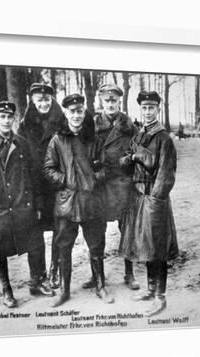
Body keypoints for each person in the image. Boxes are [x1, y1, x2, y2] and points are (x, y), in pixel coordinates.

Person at [0, 101, 54, 308]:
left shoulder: (23, 143)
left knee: (36, 245)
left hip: (23, 205)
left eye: (10, 117)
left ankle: (37, 281)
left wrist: (39, 205)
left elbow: (34, 177)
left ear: (14, 119)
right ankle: (7, 289)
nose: (6, 121)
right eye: (2, 117)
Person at [43, 93, 113, 307]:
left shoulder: (95, 138)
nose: (76, 115)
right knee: (64, 247)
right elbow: (48, 168)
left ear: (85, 112)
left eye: (80, 111)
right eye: (72, 112)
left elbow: (105, 167)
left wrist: (92, 179)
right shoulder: (57, 140)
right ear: (65, 113)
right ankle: (64, 291)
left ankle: (100, 286)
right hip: (67, 203)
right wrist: (66, 179)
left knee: (96, 245)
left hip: (92, 201)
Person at [119, 91, 179, 317]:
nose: (147, 112)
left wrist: (155, 198)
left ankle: (160, 296)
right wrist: (132, 158)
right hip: (138, 198)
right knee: (145, 246)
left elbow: (166, 174)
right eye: (144, 108)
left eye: (151, 108)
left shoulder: (163, 138)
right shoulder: (138, 135)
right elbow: (124, 162)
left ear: (158, 109)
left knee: (158, 249)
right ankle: (150, 288)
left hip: (154, 200)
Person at [82, 83, 140, 291]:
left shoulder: (129, 126)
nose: (110, 104)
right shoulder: (91, 124)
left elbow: (138, 154)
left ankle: (129, 273)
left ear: (119, 102)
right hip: (99, 186)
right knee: (95, 232)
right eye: (107, 100)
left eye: (114, 100)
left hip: (123, 185)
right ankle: (96, 276)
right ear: (100, 101)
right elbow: (83, 152)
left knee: (127, 230)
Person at [18, 83, 65, 290]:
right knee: (34, 232)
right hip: (35, 186)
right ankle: (38, 275)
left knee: (59, 229)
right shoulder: (24, 124)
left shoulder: (62, 121)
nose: (44, 104)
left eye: (47, 100)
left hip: (57, 184)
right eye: (39, 100)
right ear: (32, 101)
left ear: (52, 99)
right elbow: (21, 156)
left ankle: (56, 270)